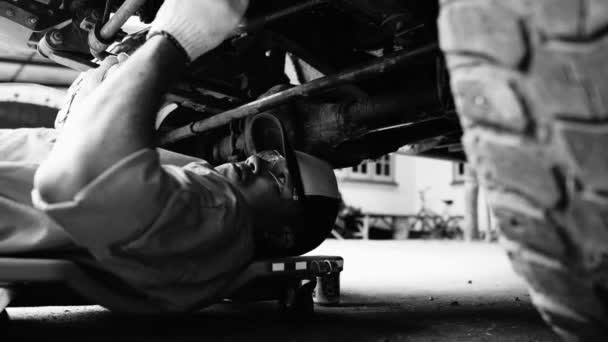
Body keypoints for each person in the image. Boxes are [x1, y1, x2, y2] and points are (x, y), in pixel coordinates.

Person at [0, 0, 341, 312]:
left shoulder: (223, 218)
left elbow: (79, 182)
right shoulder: (208, 207)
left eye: (280, 176)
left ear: (282, 234)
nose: (256, 161)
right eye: (268, 156)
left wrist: (175, 40)